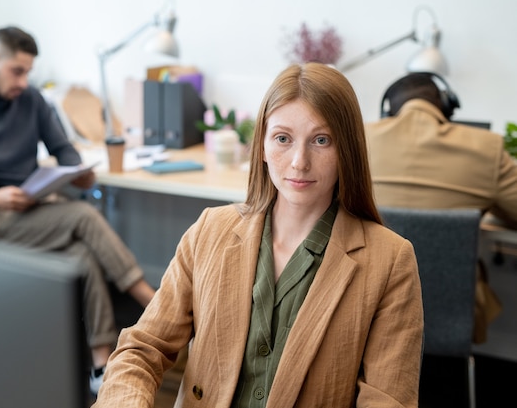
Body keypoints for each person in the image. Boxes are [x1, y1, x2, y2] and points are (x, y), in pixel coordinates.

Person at [93, 63, 424, 407]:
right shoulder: (210, 230)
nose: (299, 162)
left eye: (321, 140)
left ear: (347, 151)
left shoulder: (390, 261)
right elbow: (142, 348)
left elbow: (387, 399)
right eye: (283, 138)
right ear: (262, 147)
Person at [0, 26, 155, 394]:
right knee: (84, 217)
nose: (24, 82)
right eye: (17, 71)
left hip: (37, 210)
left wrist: (78, 173)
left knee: (82, 256)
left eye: (28, 72)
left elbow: (64, 149)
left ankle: (101, 365)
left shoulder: (32, 101)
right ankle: (155, 307)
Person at [365, 72, 510, 343]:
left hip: (364, 305)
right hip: (449, 310)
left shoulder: (357, 138)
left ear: (388, 112)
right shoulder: (487, 148)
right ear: (446, 104)